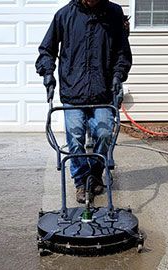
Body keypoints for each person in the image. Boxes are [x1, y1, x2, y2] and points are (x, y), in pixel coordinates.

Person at [36, 0, 132, 203]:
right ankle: (81, 181)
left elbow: (122, 51)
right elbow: (47, 49)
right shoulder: (64, 15)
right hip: (73, 91)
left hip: (103, 92)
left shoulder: (113, 13)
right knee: (75, 136)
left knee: (105, 133)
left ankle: (95, 175)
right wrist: (47, 73)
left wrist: (118, 75)